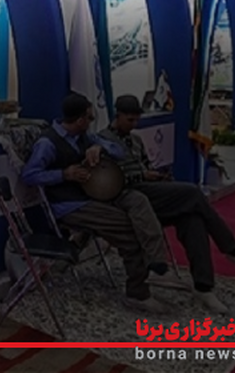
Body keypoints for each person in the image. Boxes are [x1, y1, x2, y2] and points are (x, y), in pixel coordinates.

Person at [101, 94, 235, 312]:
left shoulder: (136, 140)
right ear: (117, 115)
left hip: (149, 195)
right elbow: (106, 181)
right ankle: (233, 249)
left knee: (192, 218)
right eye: (130, 120)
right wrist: (142, 176)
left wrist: (154, 175)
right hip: (127, 198)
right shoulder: (102, 141)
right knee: (192, 193)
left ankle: (204, 286)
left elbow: (145, 166)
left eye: (137, 120)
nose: (134, 124)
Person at [21, 92, 171, 313]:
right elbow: (29, 175)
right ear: (80, 119)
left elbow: (119, 152)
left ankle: (143, 276)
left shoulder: (85, 137)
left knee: (136, 209)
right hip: (68, 205)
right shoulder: (48, 143)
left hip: (90, 198)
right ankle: (138, 293)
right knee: (128, 229)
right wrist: (64, 174)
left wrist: (101, 147)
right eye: (90, 118)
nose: (92, 122)